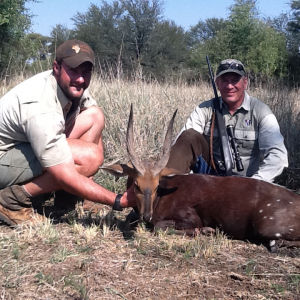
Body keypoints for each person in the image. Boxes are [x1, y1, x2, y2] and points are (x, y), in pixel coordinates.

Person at [0, 39, 136, 226]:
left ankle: (68, 195)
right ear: (56, 67)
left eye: (85, 72)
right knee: (90, 158)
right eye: (73, 70)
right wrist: (118, 200)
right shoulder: (41, 105)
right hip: (4, 157)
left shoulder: (71, 87)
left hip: (25, 146)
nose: (80, 79)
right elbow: (65, 172)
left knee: (95, 116)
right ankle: (12, 199)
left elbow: (93, 116)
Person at [167, 58, 288, 182]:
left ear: (245, 82)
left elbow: (278, 155)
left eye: (235, 80)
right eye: (224, 81)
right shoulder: (204, 109)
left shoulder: (261, 111)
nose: (230, 86)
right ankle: (166, 191)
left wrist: (255, 183)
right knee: (188, 136)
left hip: (247, 182)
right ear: (217, 83)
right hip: (209, 176)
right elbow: (181, 144)